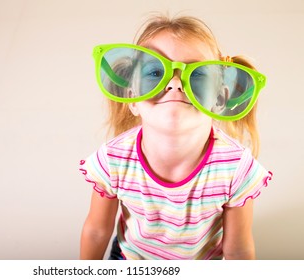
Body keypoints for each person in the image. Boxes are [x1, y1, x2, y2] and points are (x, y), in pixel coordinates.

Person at [79, 14, 272, 260]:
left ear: (219, 100)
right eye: (155, 71)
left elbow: (238, 250)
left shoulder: (235, 169)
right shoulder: (113, 160)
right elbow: (97, 231)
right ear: (132, 97)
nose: (175, 83)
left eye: (198, 74)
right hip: (130, 259)